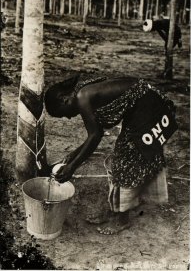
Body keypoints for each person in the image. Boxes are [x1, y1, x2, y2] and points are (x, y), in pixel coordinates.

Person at [44, 75, 177, 234]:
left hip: (147, 106)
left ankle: (122, 219)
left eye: (63, 114)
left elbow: (94, 136)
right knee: (126, 154)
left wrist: (72, 167)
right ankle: (117, 208)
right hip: (142, 102)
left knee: (126, 160)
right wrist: (72, 156)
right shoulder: (81, 91)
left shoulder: (82, 97)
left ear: (63, 99)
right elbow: (97, 132)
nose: (69, 117)